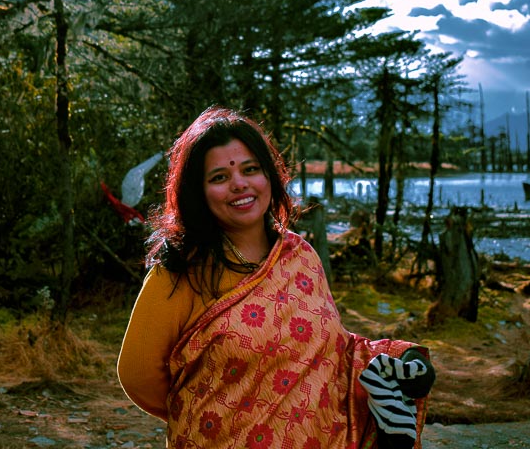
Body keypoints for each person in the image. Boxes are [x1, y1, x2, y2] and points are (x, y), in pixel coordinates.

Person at [118, 106, 435, 449]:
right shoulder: (180, 272)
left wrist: (391, 359)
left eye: (251, 170)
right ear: (199, 192)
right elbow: (137, 374)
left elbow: (332, 351)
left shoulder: (300, 256)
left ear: (269, 176)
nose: (240, 184)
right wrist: (216, 412)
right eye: (219, 177)